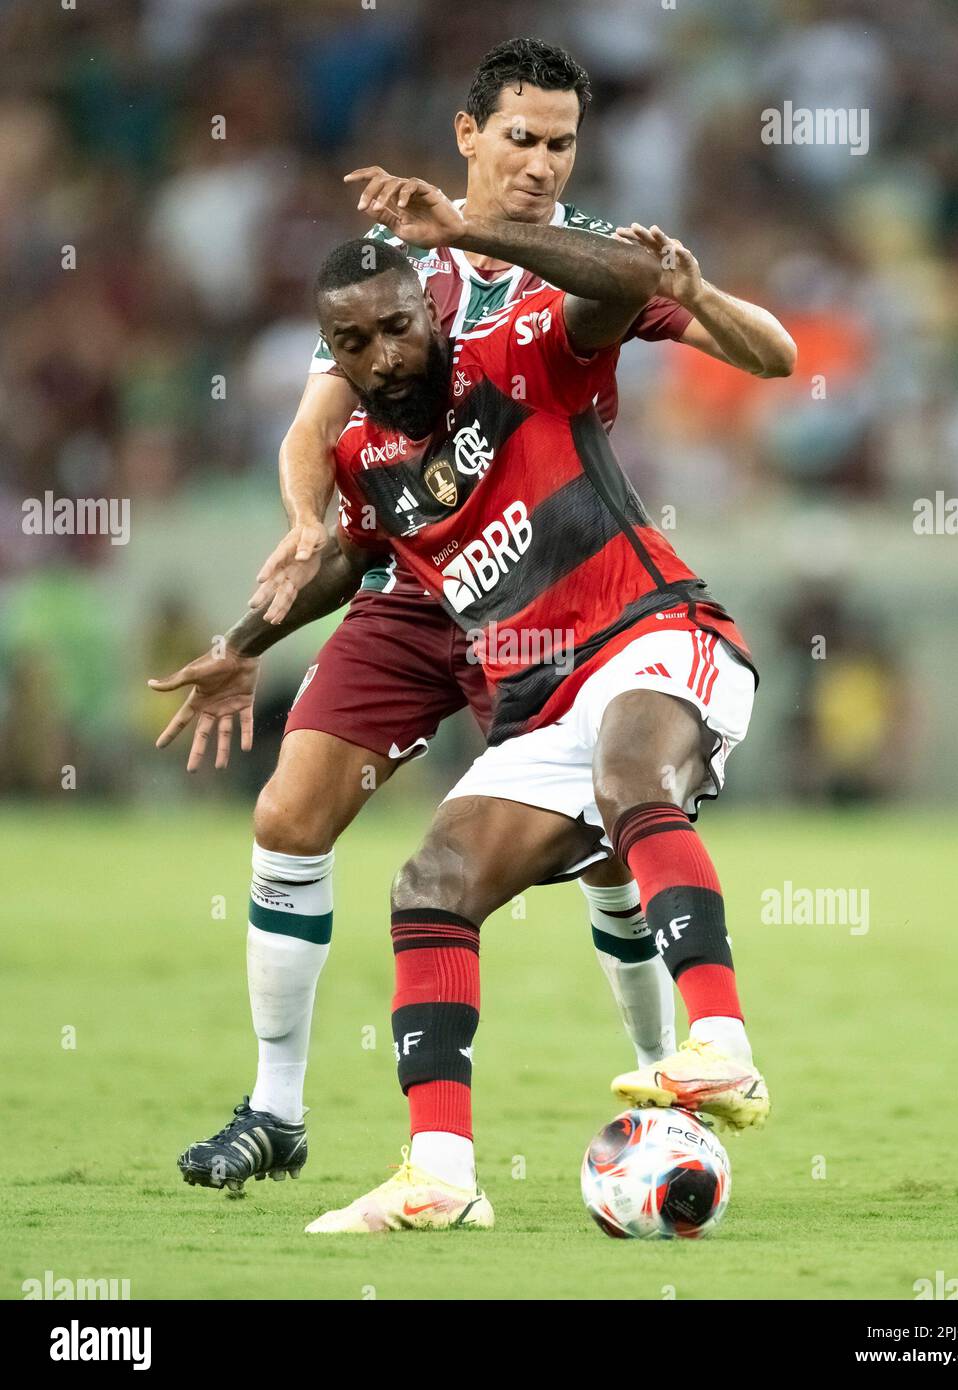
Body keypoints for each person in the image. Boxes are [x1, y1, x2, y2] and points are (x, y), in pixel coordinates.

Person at [152, 38, 793, 1197]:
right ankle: (277, 1108)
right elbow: (318, 437)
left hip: (550, 581)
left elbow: (757, 348)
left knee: (605, 807)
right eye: (521, 139)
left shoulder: (578, 259)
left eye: (560, 144)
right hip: (414, 577)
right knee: (291, 815)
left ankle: (668, 1074)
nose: (541, 163)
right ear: (467, 134)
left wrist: (691, 291)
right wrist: (304, 526)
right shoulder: (386, 280)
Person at [278, 172, 770, 1232]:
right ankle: (441, 1175)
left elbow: (633, 279)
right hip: (542, 708)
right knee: (429, 881)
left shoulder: (524, 352)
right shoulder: (365, 459)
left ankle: (720, 1047)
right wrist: (240, 643)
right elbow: (342, 566)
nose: (384, 358)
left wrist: (469, 229)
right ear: (333, 354)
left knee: (631, 771)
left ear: (431, 310)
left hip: (653, 635)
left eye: (398, 329)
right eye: (353, 345)